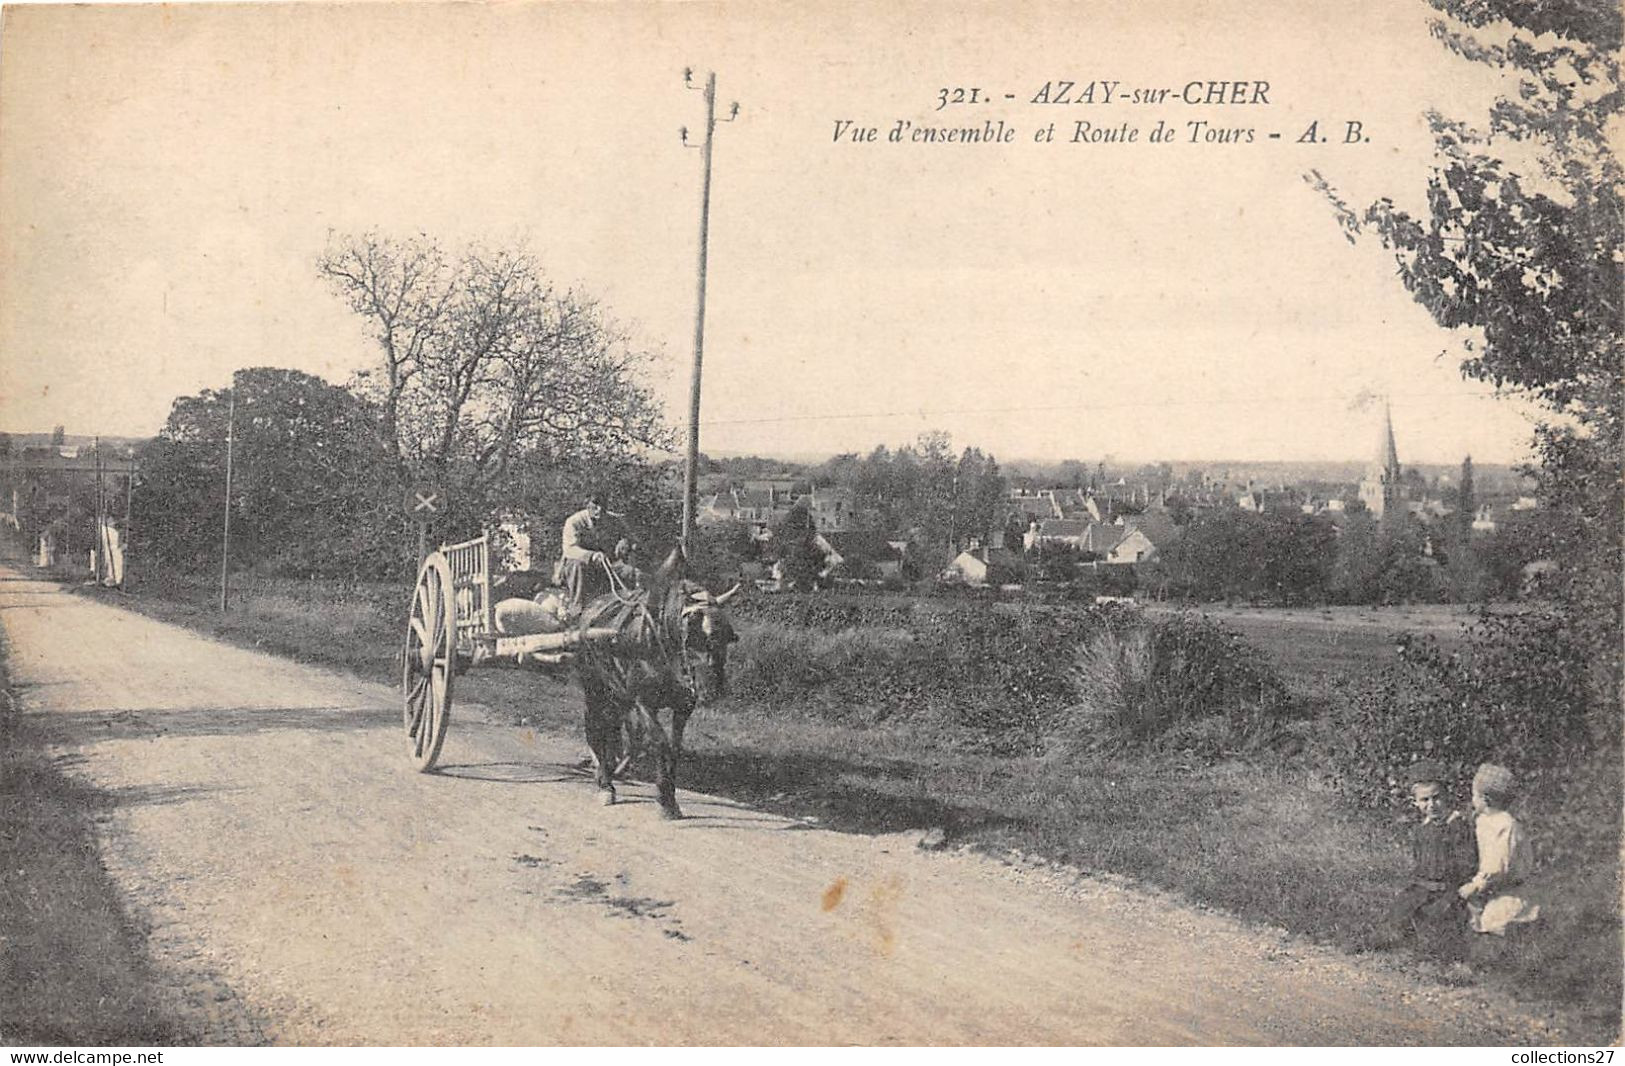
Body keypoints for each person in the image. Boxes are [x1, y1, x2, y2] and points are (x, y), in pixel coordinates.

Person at [1382, 759, 1474, 956]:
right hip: (1423, 888)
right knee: (1397, 915)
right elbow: (1420, 861)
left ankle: (1436, 951)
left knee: (1439, 920)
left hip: (1448, 890)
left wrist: (1456, 889)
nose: (1432, 805)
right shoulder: (1422, 829)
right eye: (1425, 800)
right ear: (1415, 802)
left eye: (1437, 798)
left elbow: (1466, 865)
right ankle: (1400, 945)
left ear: (1447, 796)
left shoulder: (1456, 826)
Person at [1458, 763, 1540, 946]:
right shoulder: (1483, 820)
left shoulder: (1505, 825)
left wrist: (1477, 884)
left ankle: (1500, 956)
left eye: (1474, 795)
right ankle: (1477, 949)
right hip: (1490, 885)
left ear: (1485, 799)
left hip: (1506, 886)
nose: (1472, 800)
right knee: (1474, 915)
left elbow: (1498, 865)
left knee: (1497, 921)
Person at [558, 494, 613, 609]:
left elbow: (625, 531)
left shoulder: (611, 520)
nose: (600, 509)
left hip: (603, 564)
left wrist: (626, 542)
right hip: (579, 564)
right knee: (577, 565)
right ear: (587, 507)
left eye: (603, 506)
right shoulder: (574, 522)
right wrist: (591, 555)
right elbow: (570, 549)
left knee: (629, 572)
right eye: (595, 506)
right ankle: (576, 610)